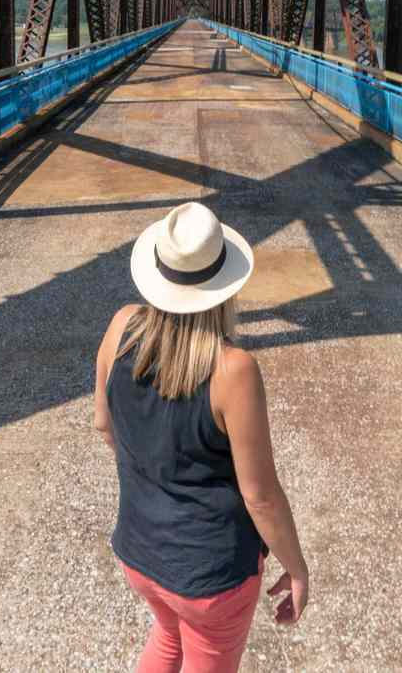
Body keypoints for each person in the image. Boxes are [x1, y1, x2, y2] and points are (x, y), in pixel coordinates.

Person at [94, 202, 310, 673]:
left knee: (169, 638)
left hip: (139, 554)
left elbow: (104, 425)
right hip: (209, 576)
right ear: (224, 287)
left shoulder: (121, 328)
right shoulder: (233, 371)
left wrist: (156, 473)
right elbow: (261, 498)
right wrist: (297, 568)